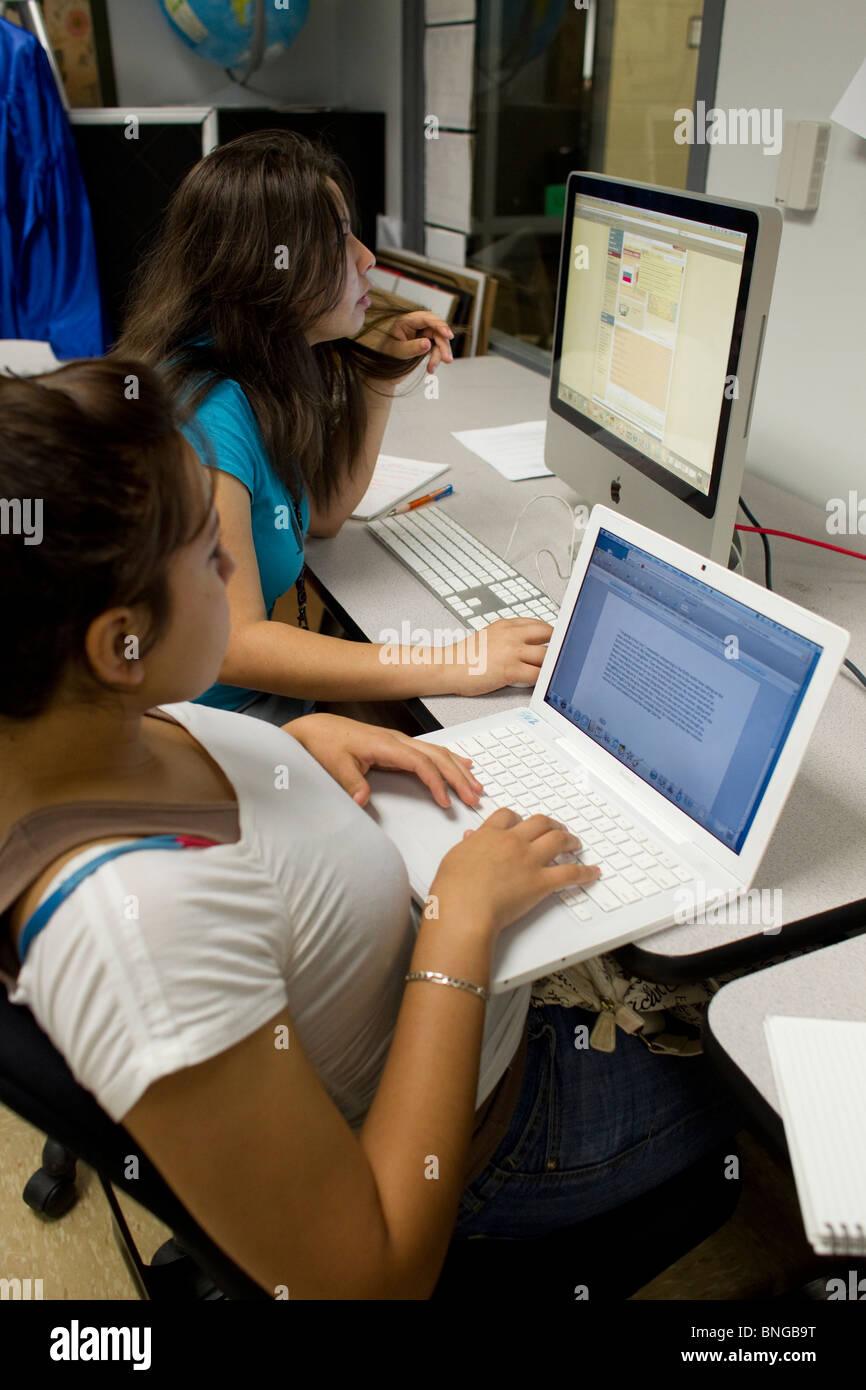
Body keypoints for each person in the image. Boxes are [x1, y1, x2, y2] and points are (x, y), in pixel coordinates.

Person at [0, 360, 743, 1299]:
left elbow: (192, 780)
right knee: (754, 1091)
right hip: (490, 1131)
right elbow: (374, 1281)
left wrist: (290, 748)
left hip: (463, 991)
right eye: (205, 553)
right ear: (117, 645)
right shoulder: (137, 931)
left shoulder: (74, 729)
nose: (237, 567)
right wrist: (458, 930)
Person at [116, 129, 552, 725]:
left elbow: (319, 516)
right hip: (205, 727)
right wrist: (461, 661)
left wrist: (379, 382)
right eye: (338, 237)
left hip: (239, 706)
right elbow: (236, 644)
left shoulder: (247, 368)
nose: (366, 257)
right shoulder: (208, 413)